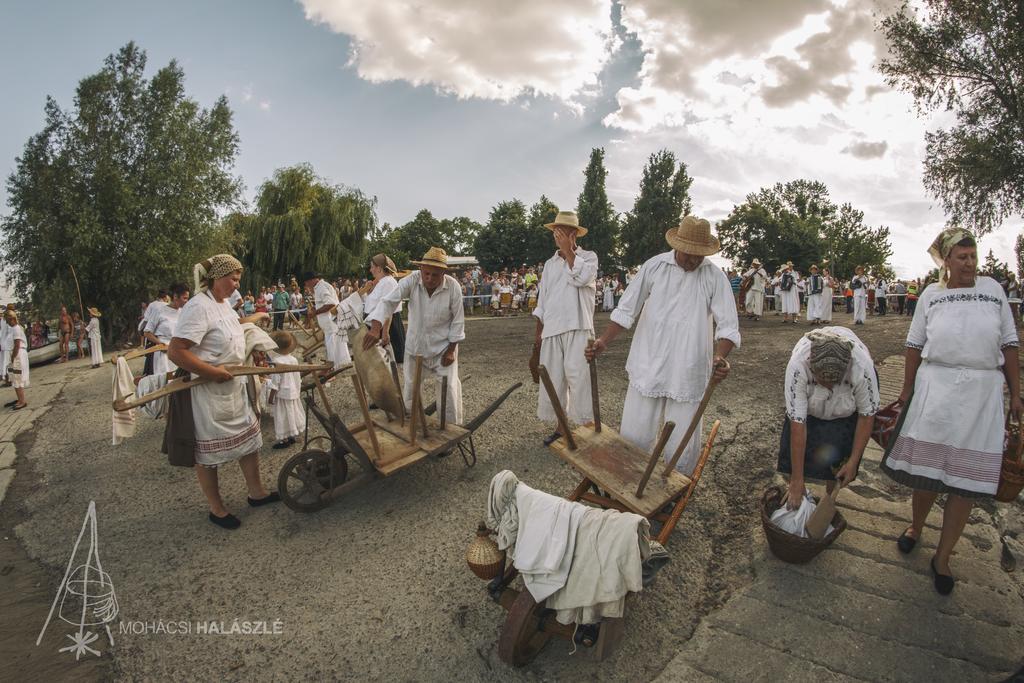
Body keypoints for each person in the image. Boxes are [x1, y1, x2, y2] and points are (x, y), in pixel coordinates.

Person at [880, 228, 1020, 595]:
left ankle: (942, 558)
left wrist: (1017, 394)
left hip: (981, 394)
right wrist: (907, 391)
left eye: (973, 256)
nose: (970, 264)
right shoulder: (931, 294)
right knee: (927, 472)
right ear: (946, 261)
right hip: (935, 388)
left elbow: (1008, 343)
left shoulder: (993, 291)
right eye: (961, 258)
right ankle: (916, 526)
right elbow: (914, 344)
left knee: (965, 482)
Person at [587, 216, 739, 474]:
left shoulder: (714, 276)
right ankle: (628, 480)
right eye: (689, 254)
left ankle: (674, 488)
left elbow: (728, 325)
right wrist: (603, 340)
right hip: (649, 360)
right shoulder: (654, 266)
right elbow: (627, 309)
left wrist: (720, 357)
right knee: (635, 433)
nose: (694, 260)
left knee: (682, 441)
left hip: (688, 366)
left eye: (699, 256)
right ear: (677, 246)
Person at [167, 254, 279, 530]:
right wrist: (212, 372)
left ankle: (257, 493)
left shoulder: (224, 305)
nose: (236, 284)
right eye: (233, 279)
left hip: (233, 387)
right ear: (216, 277)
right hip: (208, 391)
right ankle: (216, 509)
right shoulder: (197, 307)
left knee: (249, 441)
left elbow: (231, 328)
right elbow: (176, 351)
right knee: (208, 456)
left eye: (239, 279)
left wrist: (253, 321)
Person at [778, 327, 879, 507]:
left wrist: (853, 461)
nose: (829, 390)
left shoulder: (862, 368)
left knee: (838, 462)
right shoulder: (798, 366)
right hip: (810, 412)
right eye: (822, 383)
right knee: (791, 465)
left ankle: (829, 498)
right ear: (811, 364)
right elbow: (798, 425)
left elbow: (866, 416)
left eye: (834, 384)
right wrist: (797, 480)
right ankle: (797, 489)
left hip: (845, 414)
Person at [363, 247, 464, 425]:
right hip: (415, 348)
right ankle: (413, 425)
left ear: (443, 273)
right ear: (421, 270)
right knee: (411, 388)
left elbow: (457, 322)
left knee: (448, 389)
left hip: (444, 349)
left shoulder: (453, 287)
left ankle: (450, 430)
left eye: (435, 275)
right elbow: (389, 301)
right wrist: (376, 326)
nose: (429, 279)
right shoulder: (412, 280)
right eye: (426, 274)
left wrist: (451, 350)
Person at [529, 210, 598, 446]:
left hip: (579, 326)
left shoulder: (589, 257)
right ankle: (561, 427)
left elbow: (580, 279)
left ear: (574, 234)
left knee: (579, 378)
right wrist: (539, 332)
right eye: (556, 231)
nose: (558, 235)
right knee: (555, 380)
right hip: (553, 329)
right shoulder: (549, 264)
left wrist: (568, 251)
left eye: (564, 231)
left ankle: (587, 429)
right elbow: (543, 300)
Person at [302, 271, 351, 370]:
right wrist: (316, 308)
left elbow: (331, 304)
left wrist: (315, 313)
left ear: (311, 280)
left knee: (332, 345)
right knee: (336, 344)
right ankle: (340, 364)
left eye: (307, 283)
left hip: (331, 322)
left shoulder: (322, 287)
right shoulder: (320, 286)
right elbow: (325, 303)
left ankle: (331, 368)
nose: (306, 285)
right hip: (331, 322)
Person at [363, 253, 406, 361]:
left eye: (372, 267)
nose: (370, 270)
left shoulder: (388, 282)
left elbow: (388, 308)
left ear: (379, 268)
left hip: (386, 325)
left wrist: (385, 333)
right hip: (377, 324)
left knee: (388, 362)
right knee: (379, 362)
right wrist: (369, 291)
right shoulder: (381, 282)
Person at [266, 331, 304, 449]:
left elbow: (275, 382)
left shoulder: (277, 362)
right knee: (292, 413)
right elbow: (297, 376)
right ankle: (292, 434)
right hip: (293, 391)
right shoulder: (293, 359)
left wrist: (271, 397)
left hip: (282, 394)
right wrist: (297, 389)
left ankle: (284, 439)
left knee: (282, 416)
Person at [145, 283, 190, 376]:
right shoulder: (160, 311)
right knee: (165, 380)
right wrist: (160, 344)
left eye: (187, 298)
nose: (187, 301)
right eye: (184, 298)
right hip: (163, 354)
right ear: (175, 296)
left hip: (178, 352)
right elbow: (147, 332)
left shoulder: (183, 312)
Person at [140, 290, 170, 376]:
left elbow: (146, 318)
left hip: (152, 332)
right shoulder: (167, 305)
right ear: (165, 297)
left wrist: (141, 329)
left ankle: (149, 371)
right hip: (158, 333)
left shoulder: (152, 304)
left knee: (151, 355)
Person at [4, 311, 29, 410]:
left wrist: (12, 357)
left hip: (17, 355)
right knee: (14, 377)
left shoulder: (16, 329)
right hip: (14, 355)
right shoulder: (13, 329)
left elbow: (17, 344)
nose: (7, 322)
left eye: (7, 320)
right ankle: (19, 399)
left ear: (12, 319)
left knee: (17, 377)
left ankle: (22, 401)